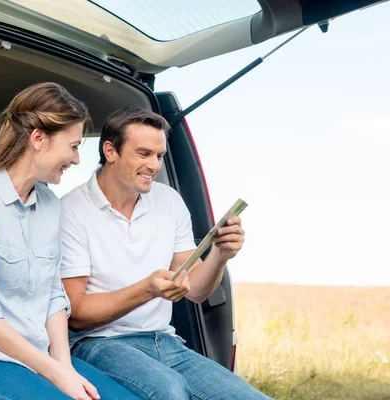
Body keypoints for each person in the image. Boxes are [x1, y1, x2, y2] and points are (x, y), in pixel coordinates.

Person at [0, 83, 139, 400]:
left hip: (38, 357)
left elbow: (54, 297)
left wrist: (65, 367)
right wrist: (53, 372)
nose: (77, 159)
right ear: (39, 139)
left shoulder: (50, 204)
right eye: (72, 146)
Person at [60, 107, 271, 399]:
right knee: (170, 391)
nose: (154, 165)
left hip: (165, 342)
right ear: (110, 150)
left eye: (159, 156)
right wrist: (147, 289)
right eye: (143, 153)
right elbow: (78, 314)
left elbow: (195, 290)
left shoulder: (169, 201)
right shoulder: (71, 211)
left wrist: (220, 254)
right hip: (98, 343)